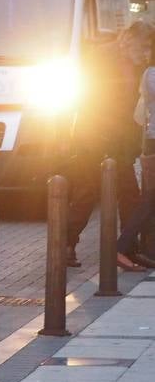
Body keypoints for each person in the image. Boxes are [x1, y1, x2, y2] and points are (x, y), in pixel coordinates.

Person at [65, 24, 146, 270]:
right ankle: (66, 245)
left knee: (129, 193)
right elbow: (95, 102)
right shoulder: (104, 59)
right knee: (86, 193)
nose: (146, 51)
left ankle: (127, 248)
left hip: (119, 142)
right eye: (144, 46)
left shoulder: (136, 63)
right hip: (94, 139)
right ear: (130, 40)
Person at [117, 26, 155, 269]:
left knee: (150, 199)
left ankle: (137, 248)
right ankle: (120, 247)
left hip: (150, 139)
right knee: (149, 199)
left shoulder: (147, 72)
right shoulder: (151, 74)